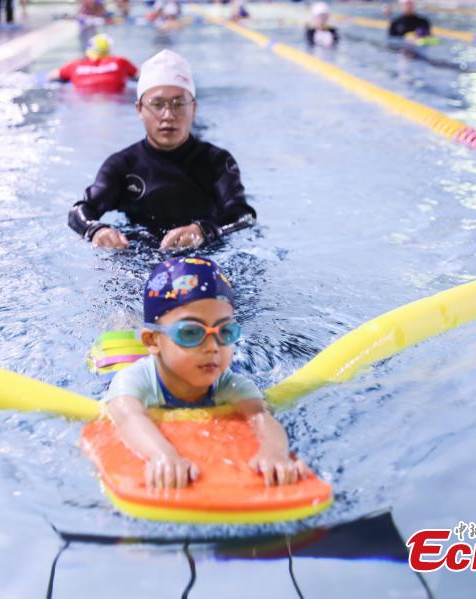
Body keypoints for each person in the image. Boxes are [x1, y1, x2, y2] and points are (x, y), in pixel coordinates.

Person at [103, 257, 313, 489]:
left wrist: (274, 453)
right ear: (152, 340)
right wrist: (162, 455)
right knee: (123, 327)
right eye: (191, 332)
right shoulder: (132, 381)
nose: (213, 347)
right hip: (125, 363)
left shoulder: (230, 384)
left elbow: (261, 416)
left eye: (225, 331)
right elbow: (129, 418)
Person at [68, 49, 257, 250]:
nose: (168, 115)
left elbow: (243, 214)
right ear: (140, 110)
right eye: (157, 104)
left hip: (208, 256)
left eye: (179, 104)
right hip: (139, 256)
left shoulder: (216, 161)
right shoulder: (122, 165)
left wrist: (203, 230)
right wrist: (96, 230)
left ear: (193, 109)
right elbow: (80, 211)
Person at [47, 34, 138, 94]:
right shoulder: (120, 62)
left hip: (83, 100)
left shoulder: (75, 65)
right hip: (115, 100)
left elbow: (50, 76)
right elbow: (140, 75)